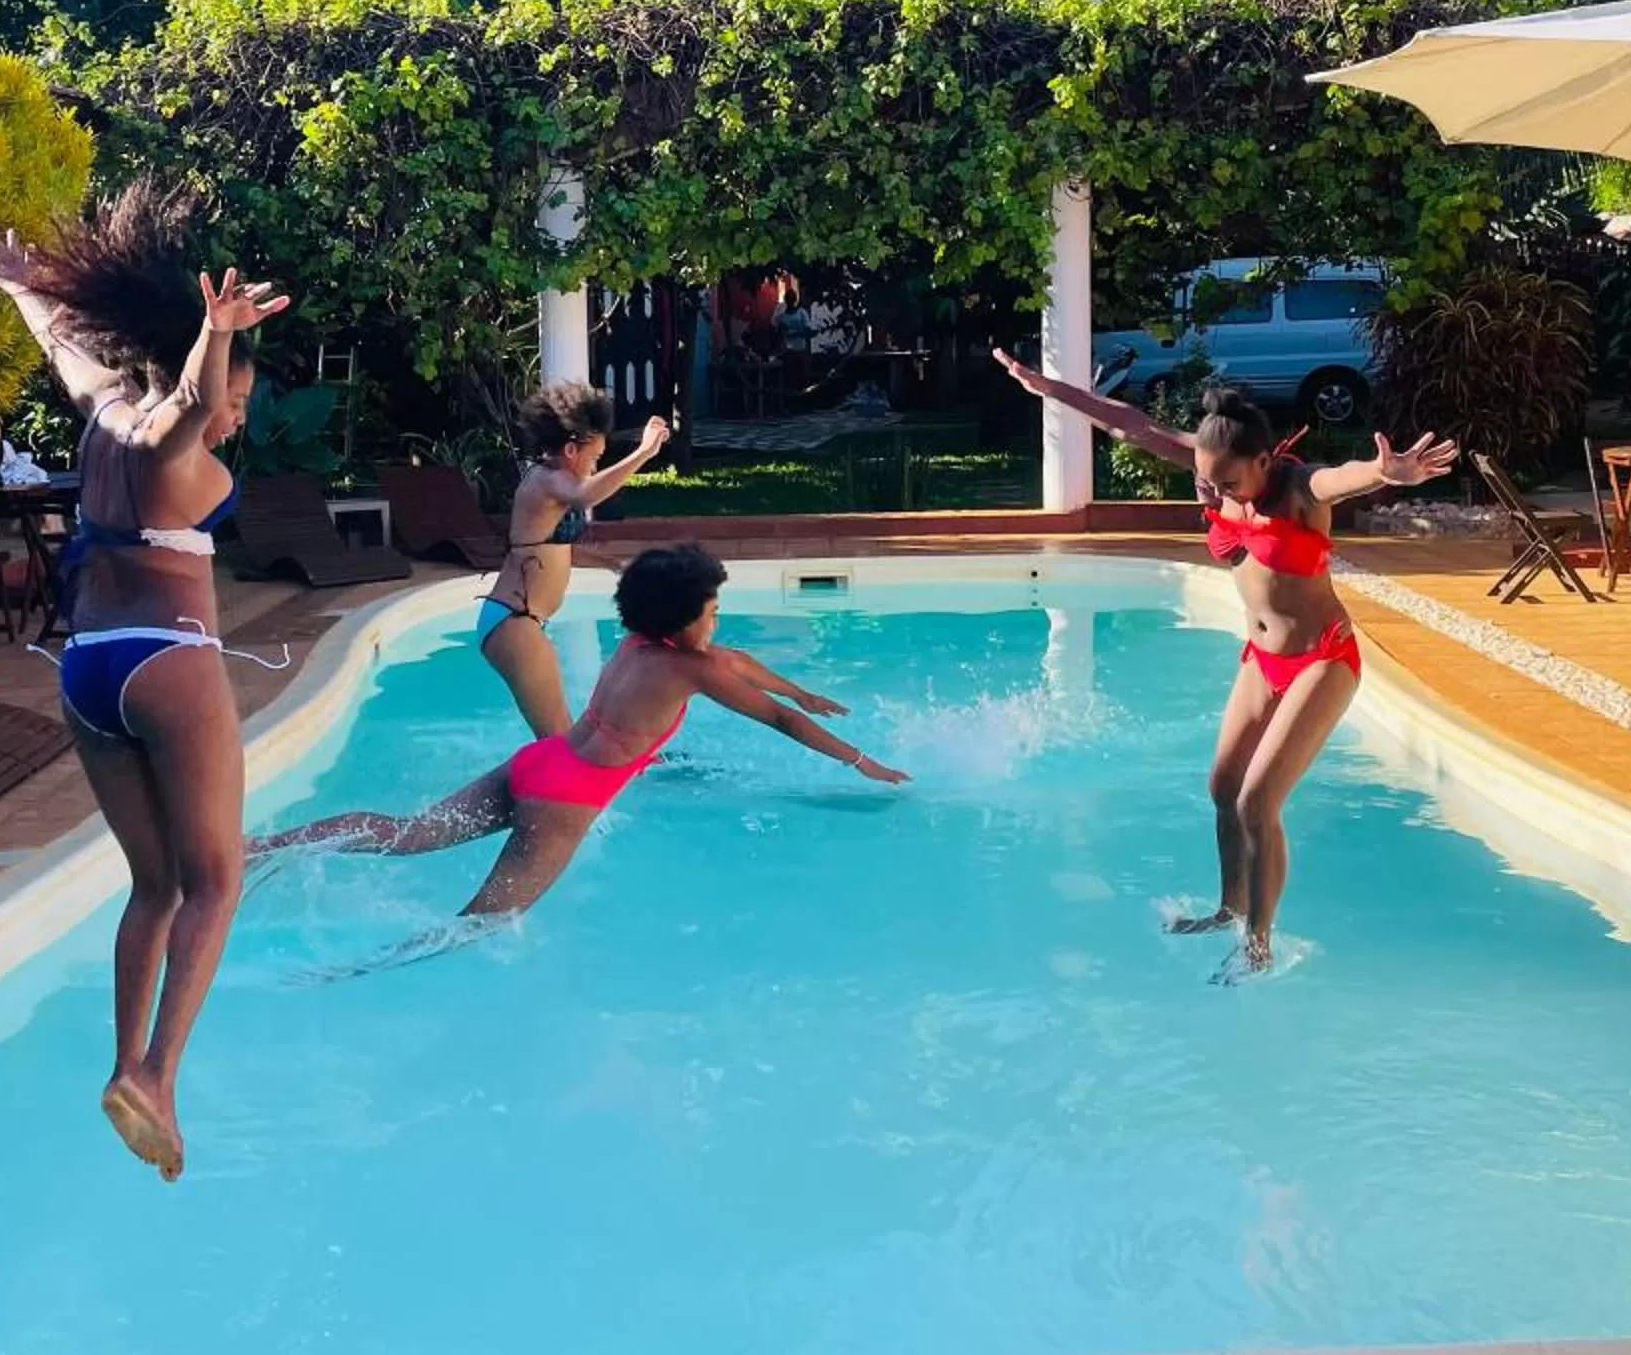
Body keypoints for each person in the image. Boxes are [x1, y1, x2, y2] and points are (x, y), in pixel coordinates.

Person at [0, 183, 290, 1181]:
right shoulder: (167, 436)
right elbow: (195, 404)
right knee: (218, 879)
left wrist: (23, 290)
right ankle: (157, 1073)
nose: (234, 420)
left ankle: (127, 1070)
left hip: (86, 670)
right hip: (164, 659)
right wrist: (213, 337)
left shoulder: (106, 419)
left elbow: (66, 355)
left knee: (154, 884)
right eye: (239, 403)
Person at [993, 348, 1457, 979]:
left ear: (1265, 462)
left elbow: (1338, 477)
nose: (1212, 491)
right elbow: (1130, 423)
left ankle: (1258, 945)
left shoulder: (1296, 491)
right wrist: (1047, 386)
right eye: (1206, 481)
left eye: (1227, 483)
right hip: (1261, 658)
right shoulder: (1213, 465)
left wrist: (1384, 472)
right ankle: (1229, 908)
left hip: (1322, 658)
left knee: (1256, 803)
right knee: (1222, 790)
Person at [262, 543, 906, 977]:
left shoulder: (640, 642)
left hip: (538, 762)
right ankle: (356, 973)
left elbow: (736, 661)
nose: (717, 620)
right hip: (563, 802)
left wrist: (799, 688)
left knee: (409, 834)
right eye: (710, 611)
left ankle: (260, 847)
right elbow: (777, 720)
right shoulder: (691, 668)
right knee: (486, 918)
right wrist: (859, 760)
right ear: (682, 622)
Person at [479, 383, 672, 736]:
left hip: (519, 620)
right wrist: (644, 452)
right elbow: (586, 496)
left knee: (563, 732)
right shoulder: (548, 480)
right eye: (595, 458)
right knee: (557, 736)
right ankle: (524, 790)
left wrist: (613, 565)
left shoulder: (551, 482)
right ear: (570, 449)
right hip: (513, 621)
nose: (595, 466)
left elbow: (551, 547)